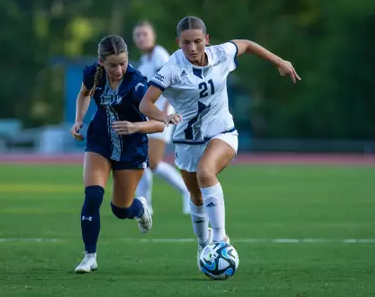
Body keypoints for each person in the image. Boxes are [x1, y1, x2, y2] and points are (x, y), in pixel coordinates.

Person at [139, 16, 301, 269]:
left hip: (222, 132)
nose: (192, 48)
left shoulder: (220, 54)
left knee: (206, 172)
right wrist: (164, 116)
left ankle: (220, 238)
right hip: (188, 140)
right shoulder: (171, 67)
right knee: (196, 196)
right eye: (185, 43)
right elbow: (145, 103)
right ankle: (204, 245)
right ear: (177, 43)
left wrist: (279, 61)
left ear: (206, 39)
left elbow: (245, 44)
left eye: (196, 42)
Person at [70, 35, 165, 273]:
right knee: (92, 197)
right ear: (101, 62)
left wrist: (135, 126)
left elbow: (159, 124)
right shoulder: (93, 74)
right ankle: (89, 257)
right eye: (113, 64)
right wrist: (79, 120)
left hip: (131, 149)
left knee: (120, 209)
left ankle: (140, 209)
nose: (119, 69)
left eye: (122, 63)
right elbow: (84, 94)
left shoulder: (137, 83)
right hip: (100, 142)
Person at [132, 21, 190, 215]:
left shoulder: (159, 55)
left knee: (152, 162)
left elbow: (168, 86)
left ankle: (187, 192)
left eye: (145, 34)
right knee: (143, 161)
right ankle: (145, 204)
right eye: (138, 35)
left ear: (153, 36)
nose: (141, 38)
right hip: (148, 117)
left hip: (161, 116)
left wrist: (164, 117)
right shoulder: (144, 60)